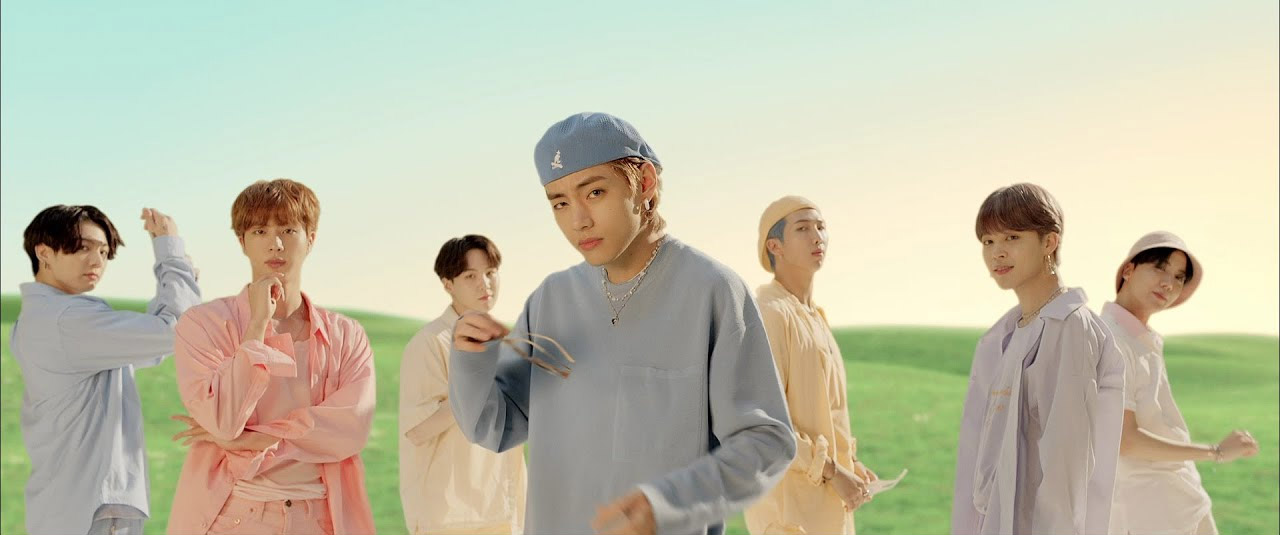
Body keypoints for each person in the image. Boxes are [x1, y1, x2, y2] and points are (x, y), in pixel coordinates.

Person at [449, 112, 796, 534]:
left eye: (595, 192)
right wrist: (470, 361)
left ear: (644, 183)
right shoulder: (551, 298)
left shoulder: (712, 290)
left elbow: (766, 441)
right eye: (560, 203)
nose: (578, 220)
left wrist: (669, 503)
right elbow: (495, 427)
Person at [167, 179, 376, 535]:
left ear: (310, 239)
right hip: (233, 516)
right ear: (242, 242)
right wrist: (257, 326)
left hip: (320, 517)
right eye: (260, 231)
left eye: (289, 230)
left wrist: (250, 440)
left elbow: (350, 429)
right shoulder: (203, 324)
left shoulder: (347, 335)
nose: (275, 243)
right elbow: (223, 422)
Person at [11, 205, 201, 535]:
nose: (97, 261)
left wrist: (178, 281)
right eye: (83, 247)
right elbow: (178, 331)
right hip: (94, 510)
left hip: (67, 507)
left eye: (103, 251)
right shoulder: (67, 320)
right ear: (44, 253)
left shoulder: (41, 318)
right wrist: (171, 253)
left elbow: (151, 348)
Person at [951, 183, 1125, 534]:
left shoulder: (1070, 327)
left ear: (1049, 242)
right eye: (988, 241)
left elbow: (1066, 466)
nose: (997, 252)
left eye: (1012, 237)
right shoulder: (1008, 333)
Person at [1105, 231, 1259, 534]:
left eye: (1178, 277)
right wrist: (1215, 451)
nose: (1169, 283)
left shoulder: (1142, 339)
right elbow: (1125, 440)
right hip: (1149, 509)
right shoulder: (1111, 339)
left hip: (1179, 497)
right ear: (1128, 270)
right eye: (1159, 267)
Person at [744, 196, 878, 535]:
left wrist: (850, 463)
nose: (817, 237)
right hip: (788, 511)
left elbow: (830, 411)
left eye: (821, 227)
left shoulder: (815, 316)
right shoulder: (769, 313)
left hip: (828, 504)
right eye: (803, 229)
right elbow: (763, 421)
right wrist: (832, 470)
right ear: (775, 246)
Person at [400, 234, 526, 534]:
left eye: (490, 272)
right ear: (448, 284)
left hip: (505, 511)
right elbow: (417, 429)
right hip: (452, 516)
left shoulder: (508, 343)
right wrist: (474, 390)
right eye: (470, 276)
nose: (485, 284)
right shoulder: (430, 342)